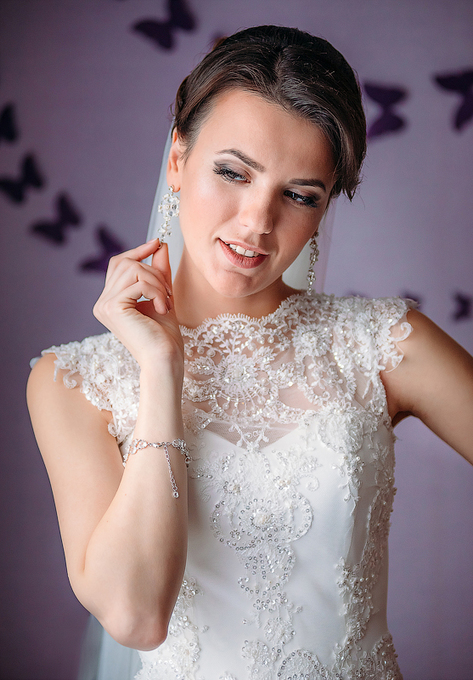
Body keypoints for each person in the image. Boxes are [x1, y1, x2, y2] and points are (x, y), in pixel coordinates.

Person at [27, 25, 473, 680]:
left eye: (299, 195)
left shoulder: (381, 344)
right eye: (233, 172)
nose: (257, 223)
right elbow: (135, 617)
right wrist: (161, 369)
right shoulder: (72, 382)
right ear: (177, 159)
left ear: (324, 208)